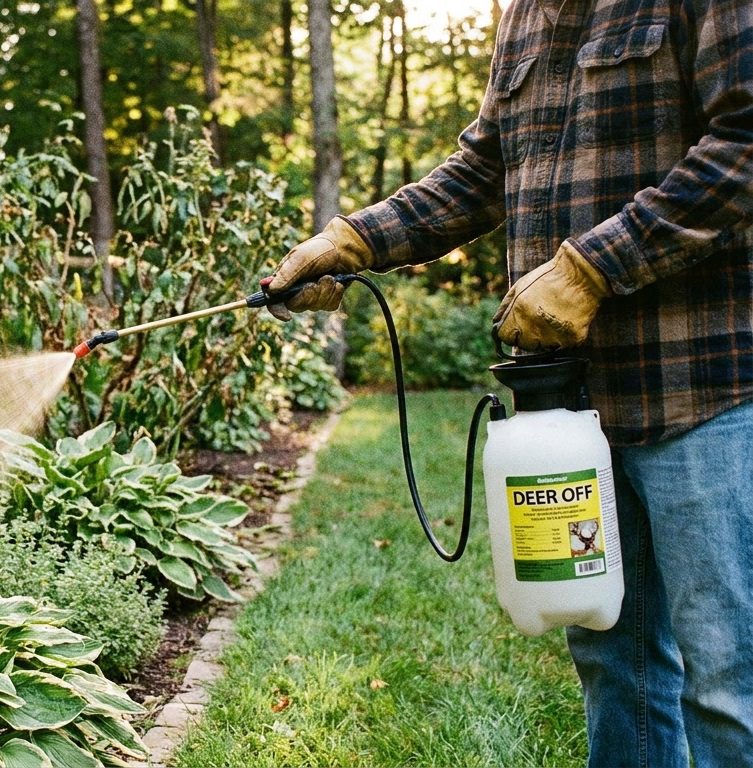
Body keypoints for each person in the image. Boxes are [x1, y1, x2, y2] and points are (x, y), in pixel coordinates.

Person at [263, 1, 753, 765]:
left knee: (731, 680)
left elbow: (743, 142)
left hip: (707, 388)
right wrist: (352, 240)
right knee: (613, 664)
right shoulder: (528, 12)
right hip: (574, 407)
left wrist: (597, 267)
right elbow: (483, 171)